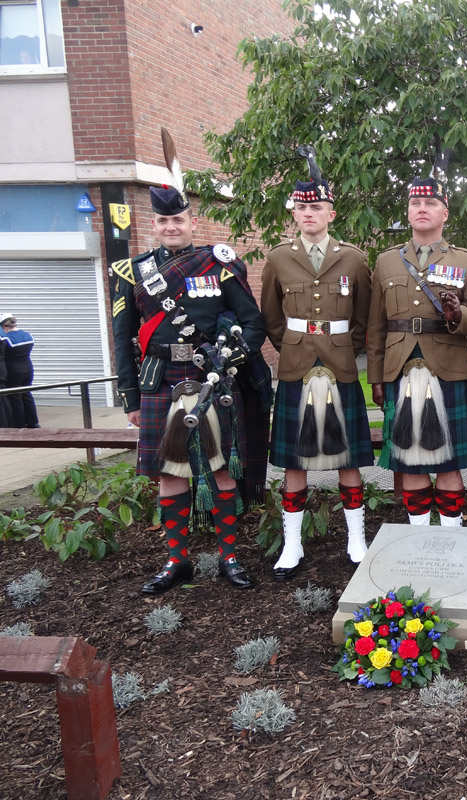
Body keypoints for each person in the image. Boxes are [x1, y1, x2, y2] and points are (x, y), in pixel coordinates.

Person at [109, 129, 267, 595]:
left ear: (191, 221)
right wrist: (129, 398)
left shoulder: (219, 265)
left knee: (222, 470)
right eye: (163, 221)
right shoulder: (131, 272)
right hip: (160, 379)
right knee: (169, 472)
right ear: (153, 224)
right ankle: (177, 561)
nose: (171, 227)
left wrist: (231, 357)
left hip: (211, 377)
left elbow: (253, 323)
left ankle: (229, 557)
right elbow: (122, 339)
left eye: (178, 219)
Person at [260, 147, 374, 580]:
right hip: (296, 365)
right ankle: (292, 545)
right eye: (302, 208)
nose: (309, 214)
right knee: (293, 461)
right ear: (294, 212)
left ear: (331, 212)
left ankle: (356, 539)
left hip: (340, 363)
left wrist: (346, 346)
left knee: (349, 457)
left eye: (317, 207)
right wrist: (293, 343)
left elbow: (364, 317)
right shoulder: (277, 257)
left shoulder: (354, 258)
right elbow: (271, 317)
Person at [366, 148, 467, 526]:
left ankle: (452, 536)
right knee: (410, 460)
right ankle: (419, 537)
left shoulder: (466, 260)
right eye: (416, 203)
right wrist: (376, 377)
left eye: (431, 203)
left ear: (444, 212)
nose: (422, 208)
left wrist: (458, 315)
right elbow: (376, 326)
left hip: (448, 367)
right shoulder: (386, 260)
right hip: (399, 368)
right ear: (408, 211)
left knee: (450, 461)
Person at [0, 313, 40, 428]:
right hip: (28, 369)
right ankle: (33, 422)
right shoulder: (28, 335)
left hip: (14, 371)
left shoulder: (7, 339)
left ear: (4, 327)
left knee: (15, 397)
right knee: (27, 394)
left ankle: (19, 423)